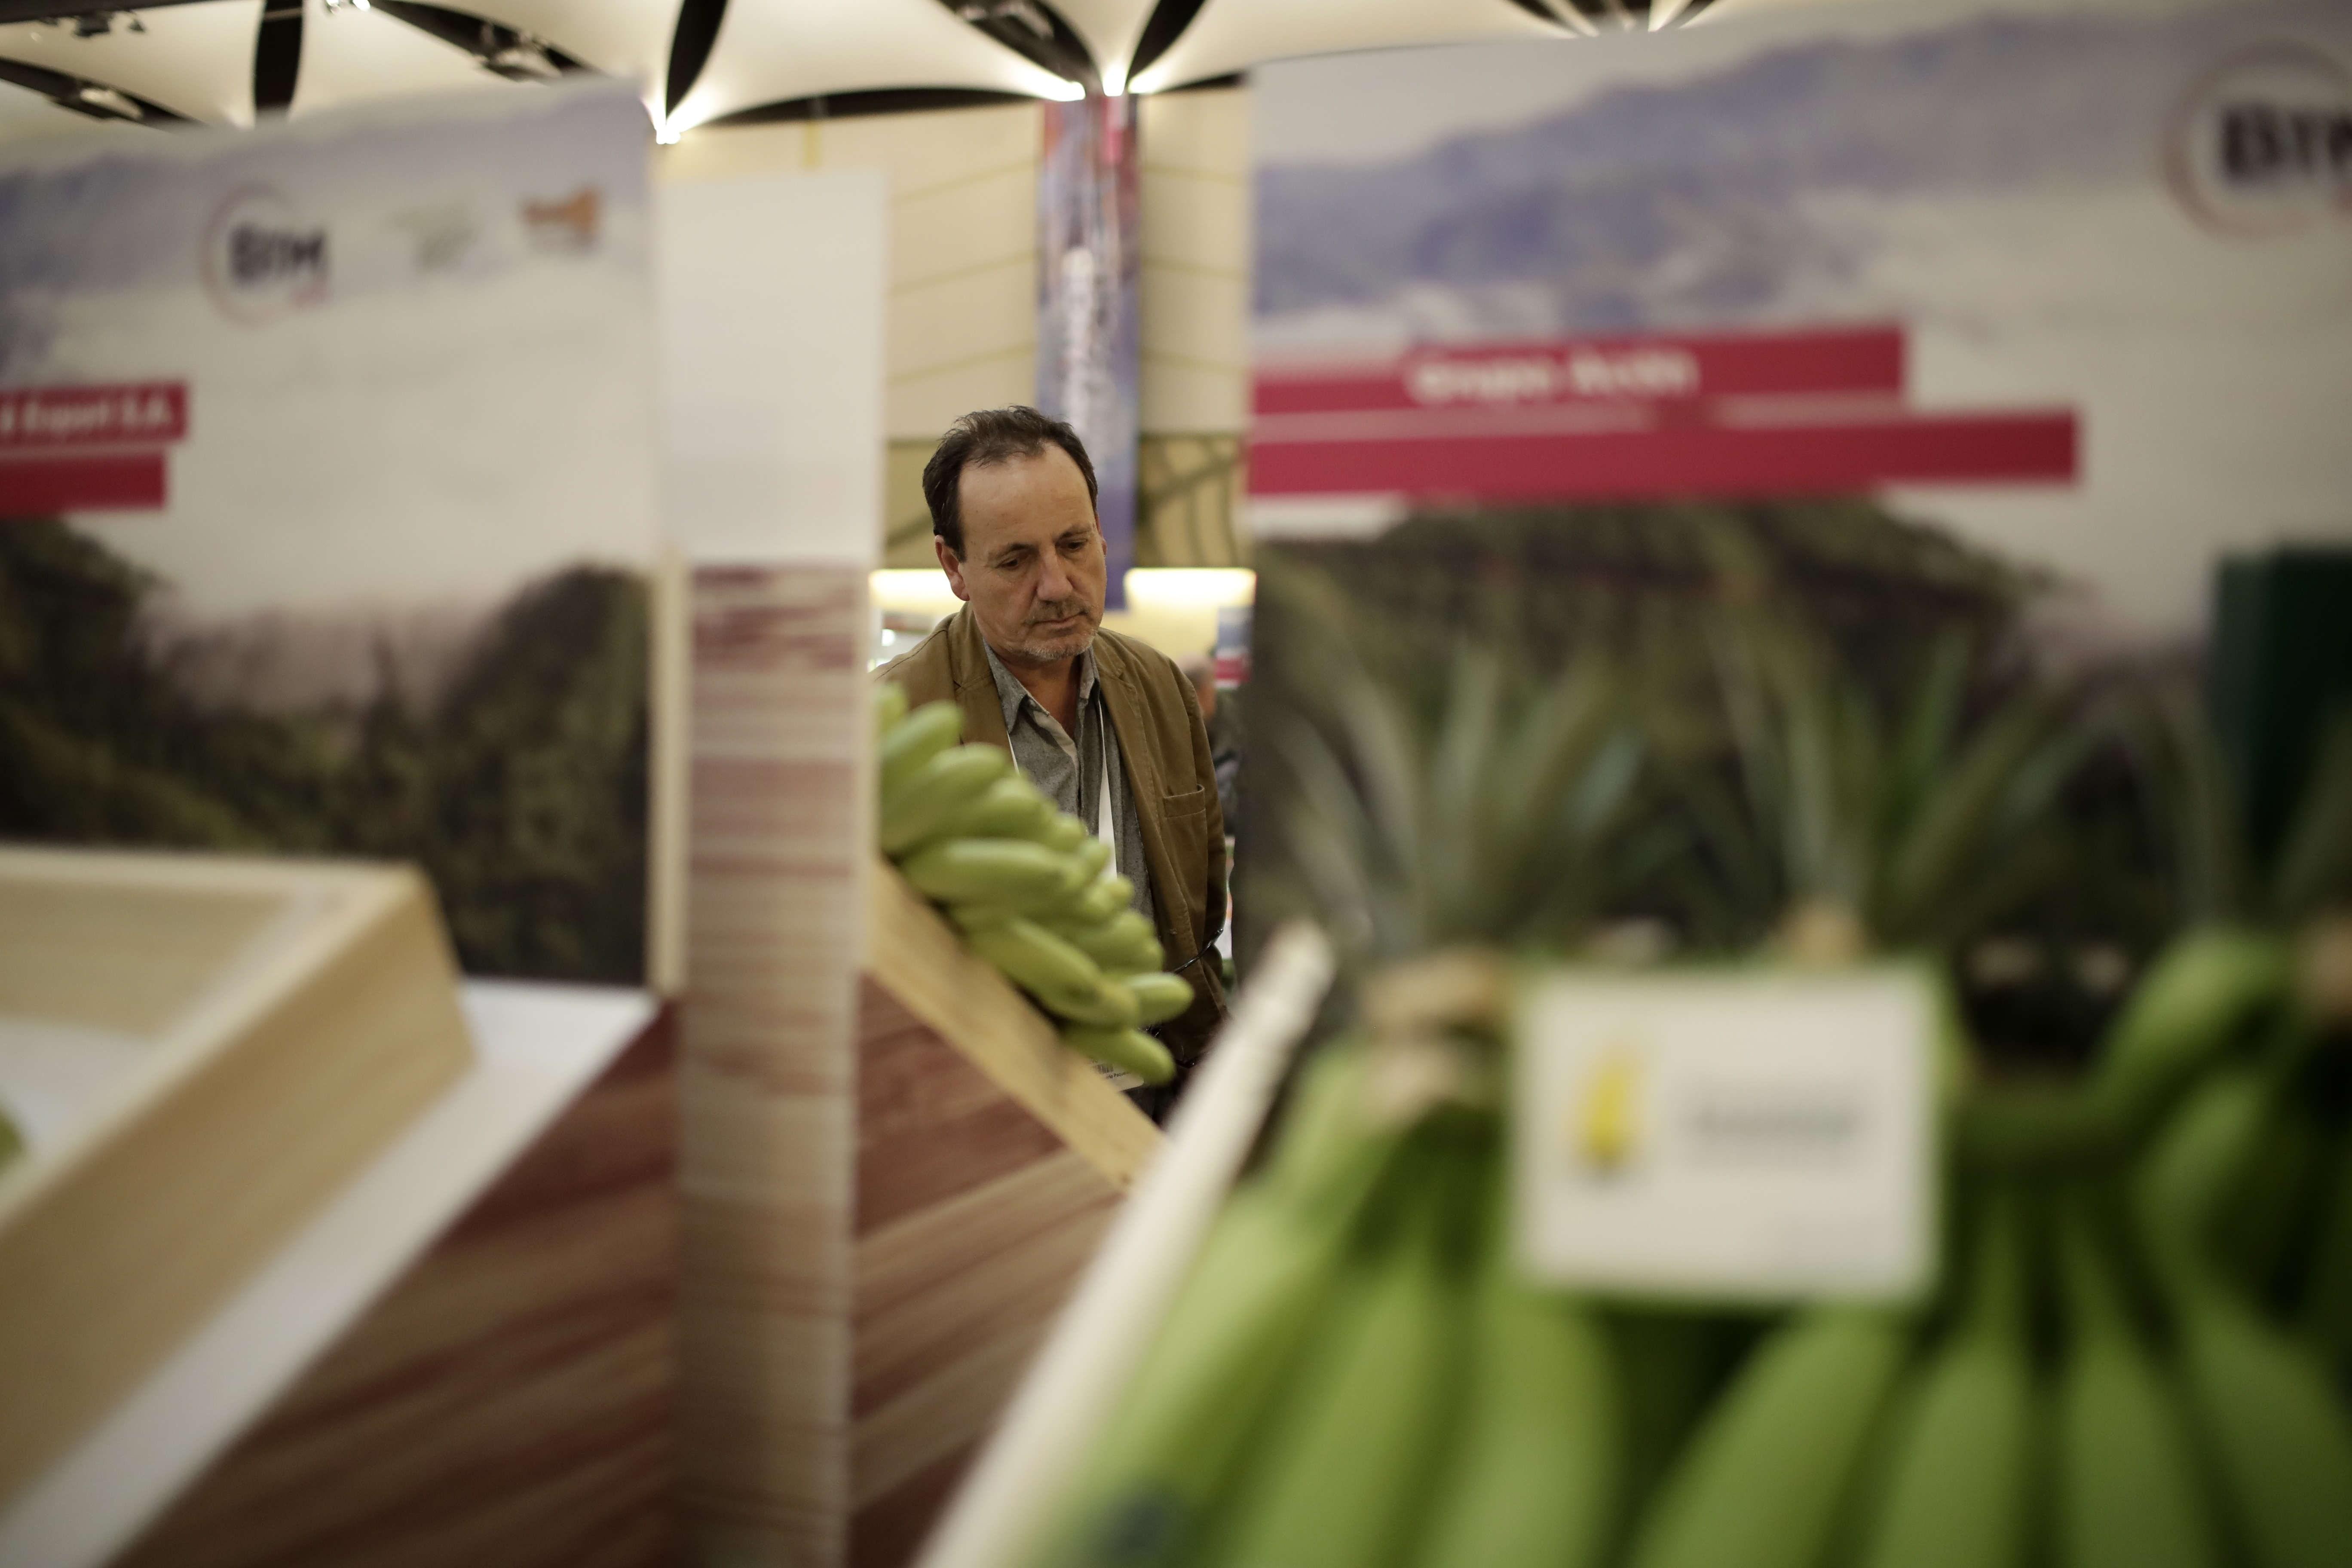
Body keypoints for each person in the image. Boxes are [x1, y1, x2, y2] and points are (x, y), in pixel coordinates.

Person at [877, 407, 1228, 1104]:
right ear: (955, 566)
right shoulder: (892, 723)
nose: (1058, 583)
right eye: (1015, 560)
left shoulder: (1160, 686)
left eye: (1075, 545)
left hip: (1165, 1085)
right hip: (985, 1106)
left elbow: (1204, 902)